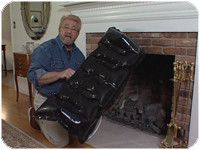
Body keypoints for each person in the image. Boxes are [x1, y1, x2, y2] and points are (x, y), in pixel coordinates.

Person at [28, 14, 85, 147]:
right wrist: (60, 74)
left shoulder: (80, 56)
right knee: (62, 142)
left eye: (74, 29)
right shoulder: (44, 49)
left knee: (80, 131)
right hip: (46, 100)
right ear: (59, 28)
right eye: (66, 27)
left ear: (77, 34)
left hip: (67, 101)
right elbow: (34, 77)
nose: (69, 31)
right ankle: (35, 116)